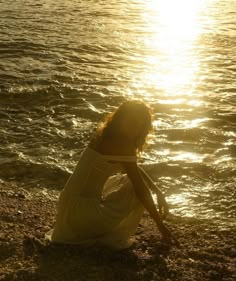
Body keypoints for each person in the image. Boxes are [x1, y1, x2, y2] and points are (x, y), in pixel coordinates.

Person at [45, 100, 178, 250]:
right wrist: (161, 226)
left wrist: (158, 191)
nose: (136, 127)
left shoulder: (106, 134)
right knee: (136, 189)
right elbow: (140, 188)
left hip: (69, 209)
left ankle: (92, 227)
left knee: (127, 180)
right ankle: (99, 230)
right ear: (122, 118)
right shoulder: (122, 142)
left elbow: (133, 168)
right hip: (80, 214)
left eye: (140, 123)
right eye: (132, 120)